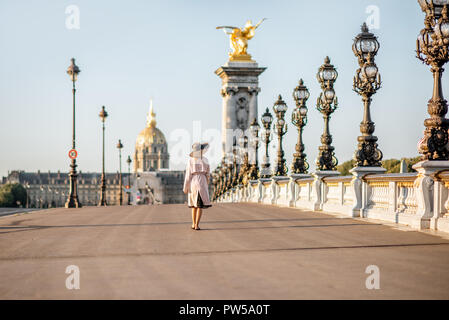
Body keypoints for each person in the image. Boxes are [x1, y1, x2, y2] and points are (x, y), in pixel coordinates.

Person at [183, 143, 212, 230]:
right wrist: (206, 183)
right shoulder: (205, 160)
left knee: (194, 205)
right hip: (202, 181)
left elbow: (188, 175)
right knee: (200, 205)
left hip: (193, 182)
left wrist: (185, 187)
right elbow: (208, 174)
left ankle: (193, 223)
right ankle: (197, 225)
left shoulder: (190, 161)